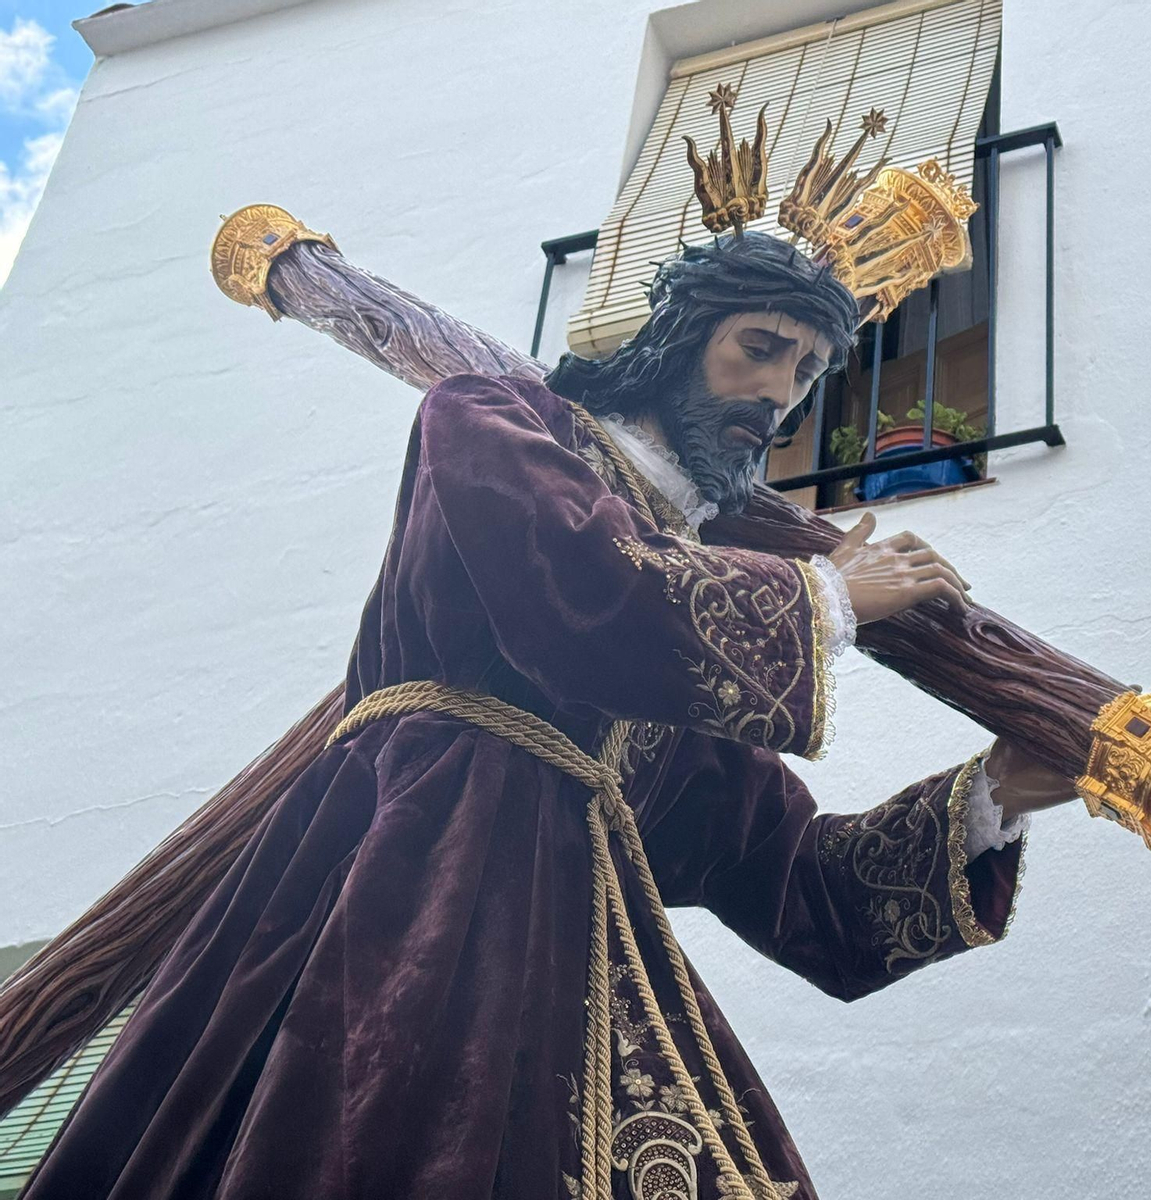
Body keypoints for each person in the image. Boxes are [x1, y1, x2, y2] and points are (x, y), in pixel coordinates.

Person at [19, 232, 1075, 1200]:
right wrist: (832, 597)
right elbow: (580, 596)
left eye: (804, 372)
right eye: (758, 347)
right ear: (675, 339)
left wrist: (997, 793)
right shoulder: (490, 419)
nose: (776, 393)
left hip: (567, 954)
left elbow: (802, 885)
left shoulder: (678, 717)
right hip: (401, 872)